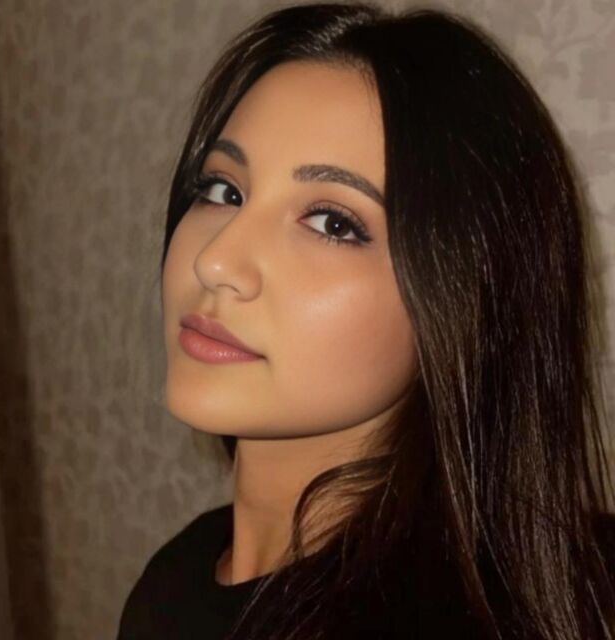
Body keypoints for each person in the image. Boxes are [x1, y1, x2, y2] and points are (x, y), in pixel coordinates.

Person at [116, 2, 615, 639]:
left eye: (332, 222)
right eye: (223, 190)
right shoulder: (176, 577)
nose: (215, 261)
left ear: (464, 301)